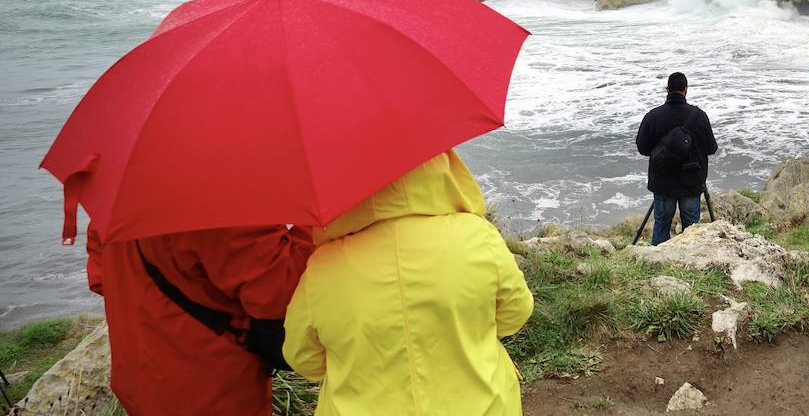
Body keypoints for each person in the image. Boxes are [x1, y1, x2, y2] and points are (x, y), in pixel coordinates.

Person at [284, 151, 532, 416]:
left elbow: (304, 359)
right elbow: (516, 312)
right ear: (437, 166)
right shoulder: (478, 237)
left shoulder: (323, 268)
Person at [87, 223, 312, 416]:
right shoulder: (222, 196)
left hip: (139, 379)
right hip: (209, 390)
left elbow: (100, 277)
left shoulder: (122, 193)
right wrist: (324, 227)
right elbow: (279, 293)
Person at [636, 72, 718, 245]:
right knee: (691, 230)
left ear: (667, 89)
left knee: (662, 225)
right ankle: (689, 263)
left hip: (663, 183)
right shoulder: (699, 116)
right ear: (685, 90)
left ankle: (658, 264)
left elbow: (642, 148)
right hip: (691, 182)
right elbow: (712, 148)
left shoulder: (653, 116)